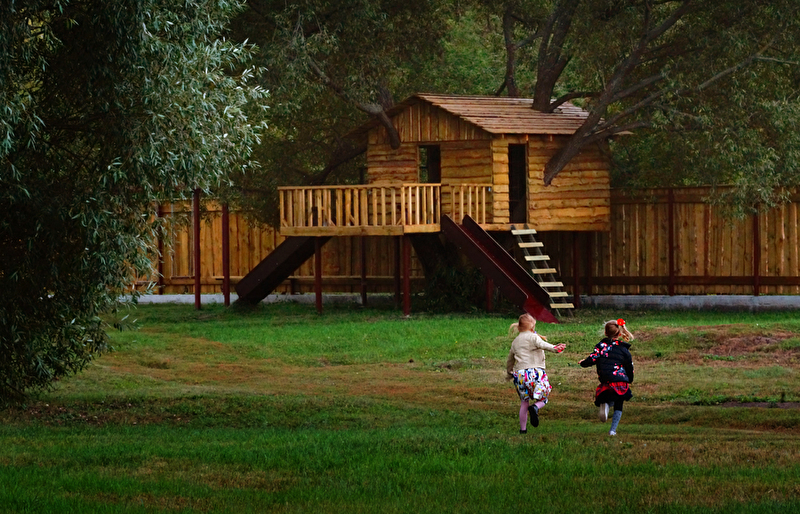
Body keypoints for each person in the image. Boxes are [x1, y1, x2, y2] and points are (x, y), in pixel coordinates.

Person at [506, 313, 566, 433]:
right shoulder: (533, 337)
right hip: (534, 373)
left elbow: (510, 359)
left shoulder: (515, 341)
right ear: (532, 326)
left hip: (520, 375)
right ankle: (535, 407)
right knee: (544, 397)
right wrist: (555, 348)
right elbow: (542, 345)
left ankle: (523, 430)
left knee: (524, 402)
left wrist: (509, 373)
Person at [579, 318, 635, 436]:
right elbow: (629, 366)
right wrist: (630, 379)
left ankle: (606, 405)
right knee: (619, 402)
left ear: (605, 333)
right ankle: (612, 430)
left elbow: (592, 358)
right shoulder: (624, 349)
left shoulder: (601, 346)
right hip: (621, 380)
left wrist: (583, 363)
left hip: (607, 379)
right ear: (620, 333)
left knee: (609, 395)